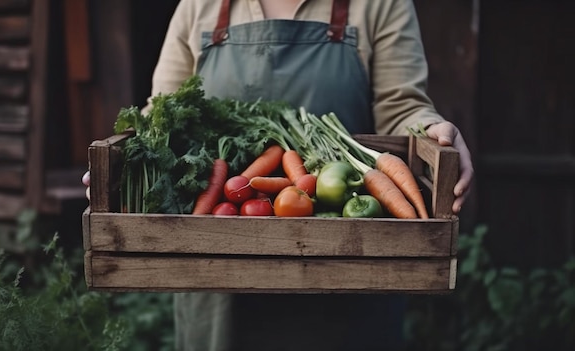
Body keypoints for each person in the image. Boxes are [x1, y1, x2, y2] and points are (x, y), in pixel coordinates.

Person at [83, 0, 474, 350]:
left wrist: (430, 128)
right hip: (215, 264)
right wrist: (122, 165)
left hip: (348, 264)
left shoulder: (379, 5)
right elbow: (163, 112)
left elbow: (402, 106)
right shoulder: (198, 6)